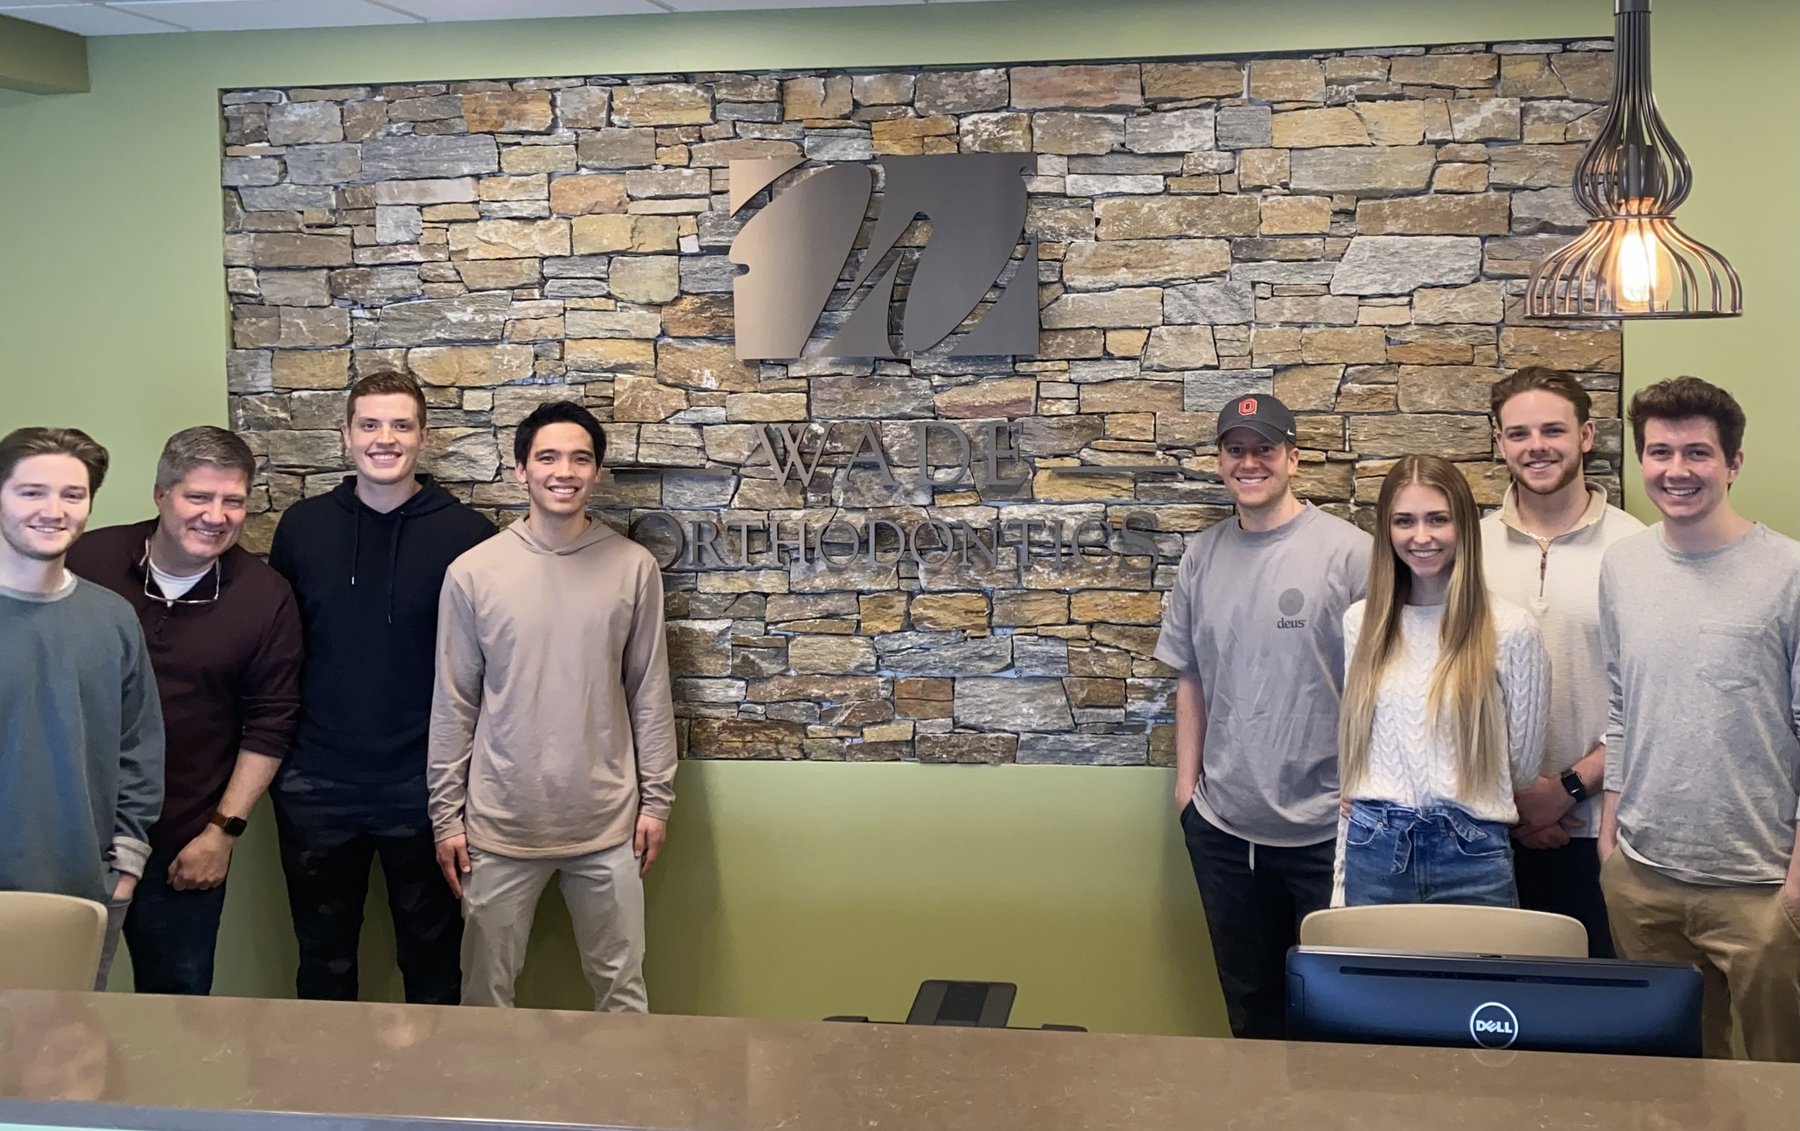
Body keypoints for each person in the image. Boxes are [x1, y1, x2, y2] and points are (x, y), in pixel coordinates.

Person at [430, 400, 677, 1012]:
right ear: (521, 469)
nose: (563, 471)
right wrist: (445, 817)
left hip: (607, 825)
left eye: (579, 459)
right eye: (547, 457)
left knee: (623, 995)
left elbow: (649, 691)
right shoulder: (473, 573)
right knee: (485, 1000)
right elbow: (454, 702)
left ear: (596, 472)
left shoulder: (634, 568)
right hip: (499, 826)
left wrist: (657, 801)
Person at [268, 371, 495, 1004]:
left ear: (425, 436)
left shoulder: (469, 537)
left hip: (426, 787)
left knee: (434, 960)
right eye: (369, 424)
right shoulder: (302, 528)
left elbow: (489, 669)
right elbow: (279, 652)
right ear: (345, 435)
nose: (384, 439)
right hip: (316, 784)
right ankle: (329, 1071)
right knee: (323, 959)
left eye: (400, 425)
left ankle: (434, 1073)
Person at [1151, 393, 1371, 1040]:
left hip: (1329, 832)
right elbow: (1189, 675)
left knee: (1341, 1016)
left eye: (1264, 448)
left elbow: (1384, 683)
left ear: (1292, 458)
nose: (1249, 462)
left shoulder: (1351, 554)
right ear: (1221, 461)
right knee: (1250, 1013)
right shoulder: (1202, 556)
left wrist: (1366, 794)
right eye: (1236, 449)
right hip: (1225, 832)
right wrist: (1187, 792)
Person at [1598, 376, 1800, 1062]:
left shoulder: (1789, 572)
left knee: (1781, 1078)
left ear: (1733, 462)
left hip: (1761, 886)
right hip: (1643, 878)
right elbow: (1622, 703)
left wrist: (1795, 882)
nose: (1676, 470)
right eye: (1659, 452)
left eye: (1697, 453)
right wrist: (1610, 840)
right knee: (1675, 1082)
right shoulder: (1623, 566)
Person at [66, 425, 302, 995]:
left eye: (233, 501)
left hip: (183, 844)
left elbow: (270, 723)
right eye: (199, 496)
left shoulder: (265, 597)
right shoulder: (85, 561)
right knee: (51, 1003)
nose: (215, 516)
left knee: (178, 1010)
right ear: (160, 494)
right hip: (72, 832)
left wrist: (221, 834)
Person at [1481, 368, 1644, 956]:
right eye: (1519, 433)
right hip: (1487, 833)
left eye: (1553, 430)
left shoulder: (1637, 549)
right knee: (1496, 1007)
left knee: (1601, 1002)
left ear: (1586, 436)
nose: (1536, 446)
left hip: (1604, 832)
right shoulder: (1468, 550)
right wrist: (1514, 804)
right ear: (1499, 443)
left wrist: (1568, 789)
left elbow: (1652, 702)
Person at [1337, 454, 1548, 907]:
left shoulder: (1511, 630)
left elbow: (1522, 768)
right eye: (1404, 521)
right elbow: (1357, 766)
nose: (1421, 536)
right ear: (1386, 529)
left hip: (1473, 851)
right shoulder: (1360, 623)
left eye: (1438, 519)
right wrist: (1340, 883)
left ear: (1464, 526)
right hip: (1374, 847)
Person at [0, 427, 164, 988]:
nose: (53, 510)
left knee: (68, 1042)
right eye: (31, 492)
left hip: (84, 893)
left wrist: (125, 867)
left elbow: (139, 747)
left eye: (72, 495)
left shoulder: (112, 618)